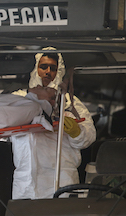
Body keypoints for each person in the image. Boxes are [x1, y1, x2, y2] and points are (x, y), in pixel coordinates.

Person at [10, 47, 96, 199]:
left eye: (53, 68)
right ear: (35, 69)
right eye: (43, 67)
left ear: (59, 72)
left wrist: (77, 132)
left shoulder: (69, 102)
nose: (48, 72)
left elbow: (89, 135)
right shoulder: (18, 100)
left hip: (62, 180)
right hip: (27, 182)